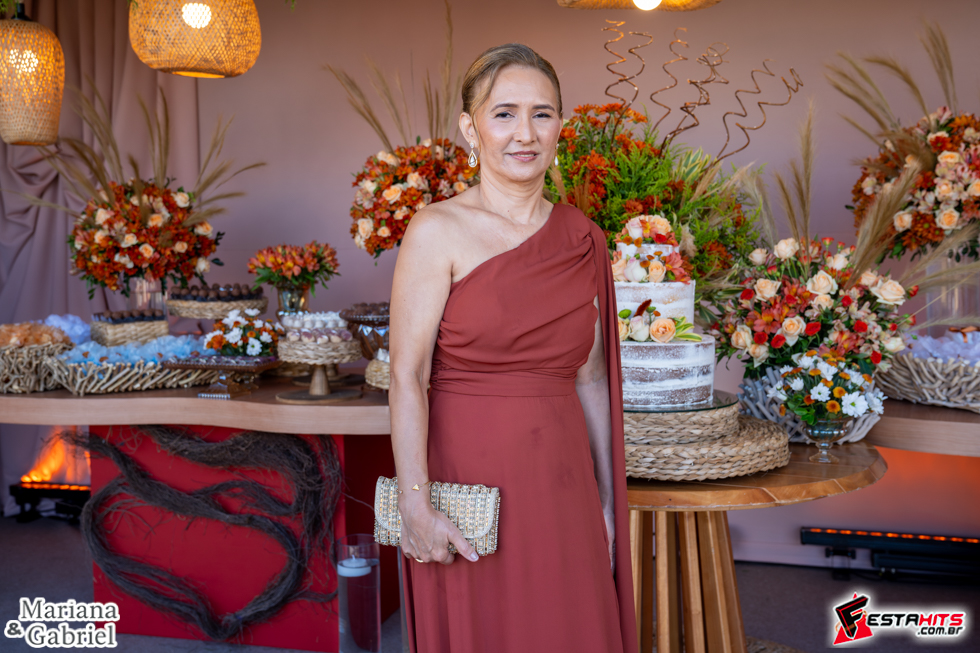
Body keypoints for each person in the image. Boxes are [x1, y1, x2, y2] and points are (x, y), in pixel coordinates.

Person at [388, 43, 637, 653]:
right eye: (504, 114)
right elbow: (406, 376)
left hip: (562, 488)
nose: (525, 133)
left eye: (541, 113)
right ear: (469, 129)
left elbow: (591, 379)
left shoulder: (584, 239)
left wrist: (608, 504)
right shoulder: (436, 230)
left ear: (559, 127)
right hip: (466, 486)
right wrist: (415, 506)